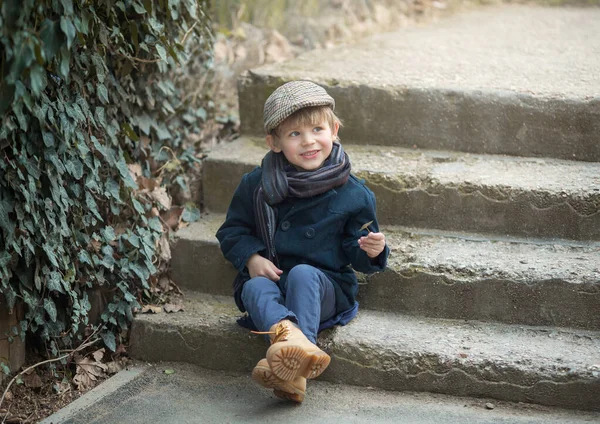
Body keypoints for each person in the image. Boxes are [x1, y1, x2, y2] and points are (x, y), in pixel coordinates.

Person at [216, 80, 389, 403]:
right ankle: (294, 360)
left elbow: (358, 251)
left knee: (303, 274)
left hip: (324, 289)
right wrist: (252, 258)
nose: (309, 141)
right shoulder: (257, 185)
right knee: (252, 287)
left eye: (317, 130)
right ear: (275, 142)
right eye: (295, 134)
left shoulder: (354, 193)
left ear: (334, 130)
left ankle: (294, 353)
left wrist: (373, 250)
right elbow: (232, 231)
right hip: (274, 285)